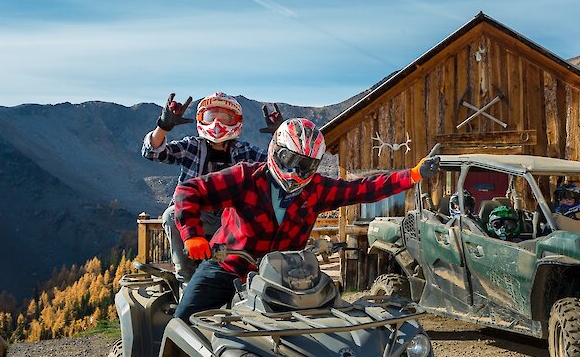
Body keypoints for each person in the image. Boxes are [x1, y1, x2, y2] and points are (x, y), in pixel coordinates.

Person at [173, 118, 441, 322]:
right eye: (288, 159)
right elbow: (189, 191)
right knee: (183, 322)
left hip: (284, 276)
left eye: (304, 165)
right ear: (274, 150)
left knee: (316, 332)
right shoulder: (246, 177)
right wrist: (193, 235)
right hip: (228, 266)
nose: (293, 171)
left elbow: (364, 189)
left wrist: (413, 175)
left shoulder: (317, 189)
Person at [141, 92, 281, 280]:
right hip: (198, 214)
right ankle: (186, 277)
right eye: (211, 117)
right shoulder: (191, 147)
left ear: (236, 122)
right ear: (201, 120)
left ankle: (247, 277)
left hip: (232, 218)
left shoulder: (245, 151)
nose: (217, 124)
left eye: (225, 118)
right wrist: (163, 127)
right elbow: (154, 152)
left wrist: (279, 135)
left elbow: (278, 166)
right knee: (172, 214)